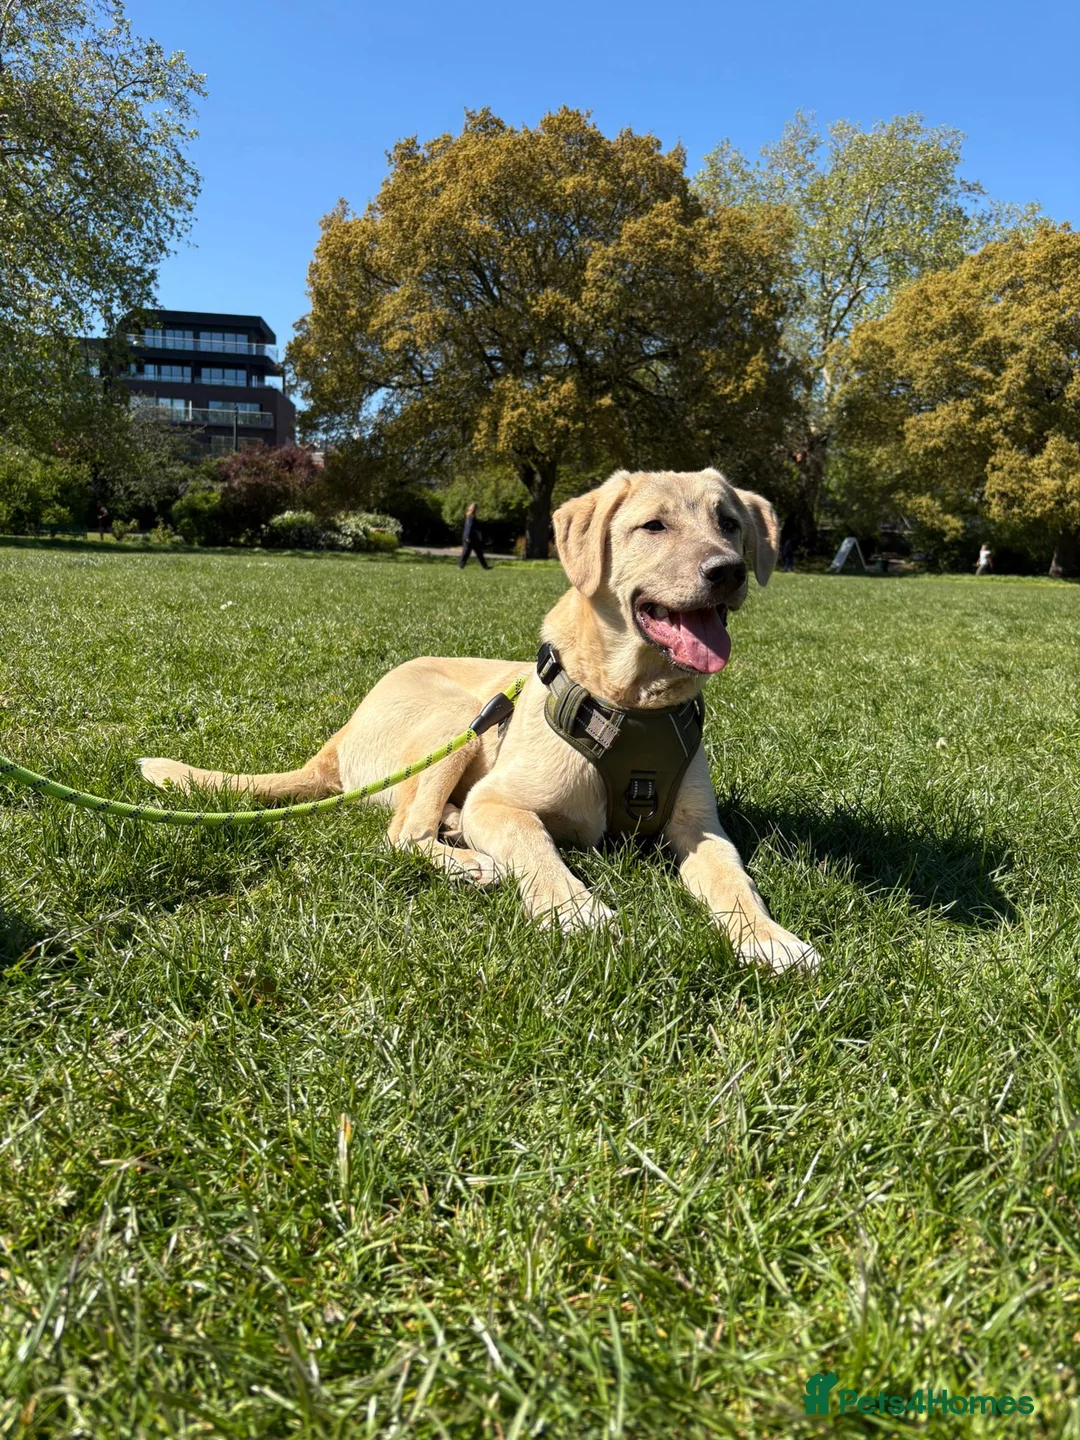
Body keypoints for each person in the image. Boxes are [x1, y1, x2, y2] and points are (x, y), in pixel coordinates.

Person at [458, 502, 491, 570]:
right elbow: (469, 527)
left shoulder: (468, 516)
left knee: (472, 552)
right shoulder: (471, 517)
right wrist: (467, 537)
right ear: (475, 509)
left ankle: (485, 567)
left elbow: (467, 527)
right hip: (471, 538)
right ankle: (461, 566)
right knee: (469, 553)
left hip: (470, 537)